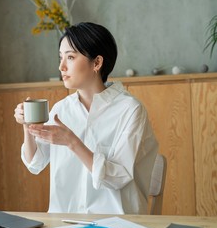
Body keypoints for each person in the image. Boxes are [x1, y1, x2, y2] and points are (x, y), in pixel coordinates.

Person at [14, 22, 158, 214]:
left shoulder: (130, 110)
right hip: (64, 225)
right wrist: (27, 126)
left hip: (117, 226)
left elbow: (118, 177)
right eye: (60, 57)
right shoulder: (61, 110)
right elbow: (35, 163)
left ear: (97, 63)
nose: (61, 66)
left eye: (71, 57)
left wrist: (72, 142)